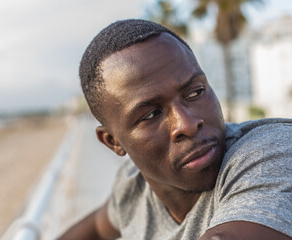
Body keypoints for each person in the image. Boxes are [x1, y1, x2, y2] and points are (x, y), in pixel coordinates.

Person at [57, 19, 292, 240]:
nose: (187, 125)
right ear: (113, 141)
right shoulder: (133, 189)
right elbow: (98, 227)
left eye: (195, 92)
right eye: (150, 114)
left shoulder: (270, 154)